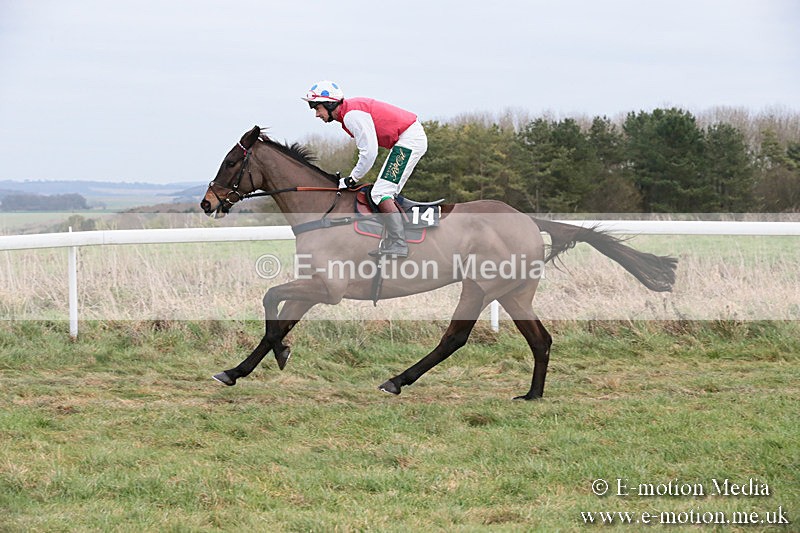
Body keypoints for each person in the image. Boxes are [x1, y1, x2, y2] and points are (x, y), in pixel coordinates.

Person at [302, 80, 427, 257]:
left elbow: (369, 153)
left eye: (317, 108)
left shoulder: (352, 116)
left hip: (409, 140)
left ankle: (399, 243)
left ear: (329, 104)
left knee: (380, 193)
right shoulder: (350, 113)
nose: (316, 114)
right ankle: (398, 237)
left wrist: (352, 178)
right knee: (385, 192)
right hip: (407, 139)